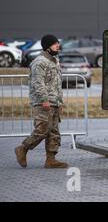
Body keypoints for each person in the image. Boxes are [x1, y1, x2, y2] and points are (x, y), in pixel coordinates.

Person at [14, 34, 68, 168]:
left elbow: (56, 84)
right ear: (47, 46)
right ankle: (23, 148)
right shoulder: (39, 62)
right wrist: (44, 100)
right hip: (42, 102)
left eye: (57, 43)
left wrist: (60, 102)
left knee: (54, 132)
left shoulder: (55, 61)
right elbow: (38, 84)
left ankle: (51, 160)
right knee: (42, 130)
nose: (58, 45)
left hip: (54, 102)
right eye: (55, 44)